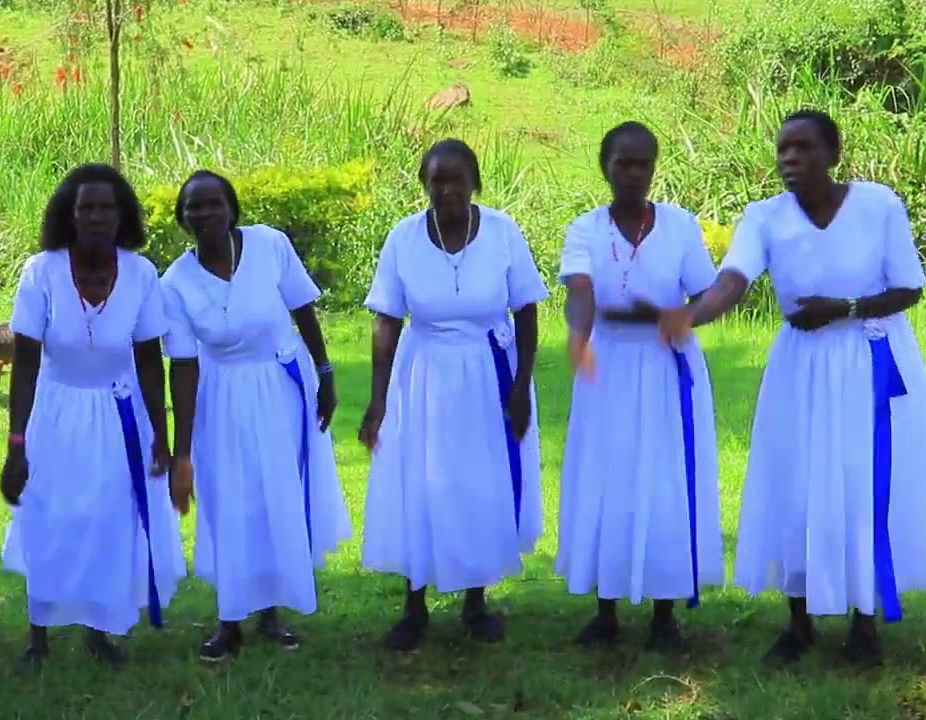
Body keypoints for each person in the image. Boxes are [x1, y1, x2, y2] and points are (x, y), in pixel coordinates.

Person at [658, 109, 926, 667]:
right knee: (797, 484)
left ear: (833, 154)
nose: (789, 159)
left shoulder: (878, 207)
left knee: (861, 484)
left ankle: (864, 623)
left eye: (802, 148)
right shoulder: (764, 218)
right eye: (782, 149)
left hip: (867, 362)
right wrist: (688, 316)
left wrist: (845, 308)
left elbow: (909, 289)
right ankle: (798, 622)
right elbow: (732, 281)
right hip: (800, 368)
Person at [358, 139, 549, 651]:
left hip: (489, 372)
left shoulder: (504, 233)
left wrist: (521, 385)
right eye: (436, 179)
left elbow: (527, 310)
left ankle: (475, 602)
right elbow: (386, 321)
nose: (446, 188)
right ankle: (414, 604)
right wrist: (378, 401)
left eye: (456, 178)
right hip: (423, 373)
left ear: (475, 183)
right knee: (418, 480)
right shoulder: (403, 237)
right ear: (424, 184)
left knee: (478, 483)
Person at [0, 163, 185, 671]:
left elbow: (150, 360)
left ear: (122, 216)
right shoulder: (41, 271)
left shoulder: (142, 274)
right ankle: (38, 635)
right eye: (87, 208)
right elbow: (26, 364)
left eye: (107, 208)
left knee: (109, 518)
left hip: (119, 414)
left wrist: (161, 438)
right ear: (69, 214)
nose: (97, 217)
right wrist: (16, 443)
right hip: (55, 412)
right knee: (49, 516)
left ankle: (99, 629)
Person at [163, 170, 352, 662]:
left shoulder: (270, 245)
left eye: (213, 204)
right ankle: (229, 624)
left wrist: (326, 373)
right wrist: (181, 453)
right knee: (229, 503)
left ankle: (272, 613)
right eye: (193, 208)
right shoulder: (175, 282)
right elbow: (182, 368)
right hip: (220, 397)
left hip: (281, 387)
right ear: (183, 219)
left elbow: (303, 309)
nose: (204, 214)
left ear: (232, 209)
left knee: (276, 497)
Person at [556, 121, 723, 652]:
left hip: (666, 367)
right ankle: (605, 611)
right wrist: (579, 337)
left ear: (653, 167)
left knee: (665, 480)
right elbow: (580, 290)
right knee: (606, 480)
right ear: (604, 166)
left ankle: (665, 615)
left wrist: (686, 318)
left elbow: (708, 291)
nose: (632, 173)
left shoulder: (679, 226)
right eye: (622, 162)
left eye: (642, 163)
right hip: (606, 368)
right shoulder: (584, 228)